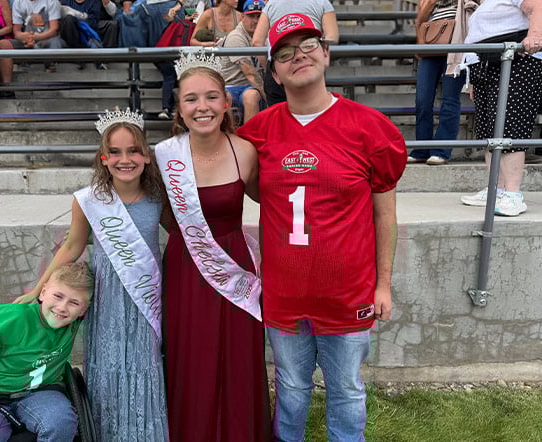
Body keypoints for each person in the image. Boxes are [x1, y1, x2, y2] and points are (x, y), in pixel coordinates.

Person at [237, 14, 407, 441]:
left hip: (347, 289)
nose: (300, 57)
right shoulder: (258, 131)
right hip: (285, 291)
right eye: (286, 53)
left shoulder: (370, 127)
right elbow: (260, 193)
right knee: (291, 387)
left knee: (346, 389)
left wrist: (382, 284)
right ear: (273, 70)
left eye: (309, 45)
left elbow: (384, 212)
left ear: (327, 53)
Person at [18, 109, 169, 441]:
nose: (124, 159)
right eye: (114, 151)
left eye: (133, 150)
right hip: (106, 296)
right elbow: (72, 246)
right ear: (103, 157)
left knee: (145, 363)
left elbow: (183, 235)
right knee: (108, 364)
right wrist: (37, 290)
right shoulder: (89, 201)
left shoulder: (159, 197)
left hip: (145, 293)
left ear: (146, 155)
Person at [154, 52, 269, 441]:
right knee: (193, 357)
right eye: (191, 99)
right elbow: (158, 216)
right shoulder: (163, 157)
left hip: (234, 264)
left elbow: (274, 204)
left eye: (210, 97)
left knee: (237, 358)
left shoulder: (246, 151)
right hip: (187, 266)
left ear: (226, 102)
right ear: (179, 107)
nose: (202, 107)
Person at [0, 262, 92, 441]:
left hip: (41, 393)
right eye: (58, 296)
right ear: (43, 292)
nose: (62, 307)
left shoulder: (71, 322)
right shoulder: (9, 321)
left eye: (74, 302)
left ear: (83, 310)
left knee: (61, 422)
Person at [459, 0, 542, 216]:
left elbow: (537, 5)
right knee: (489, 130)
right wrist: (472, 79)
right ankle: (497, 190)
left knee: (509, 126)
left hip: (515, 61)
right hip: (487, 64)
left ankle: (512, 194)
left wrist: (535, 35)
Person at [408, 0, 467, 166]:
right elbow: (419, 21)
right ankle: (422, 149)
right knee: (422, 99)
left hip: (457, 43)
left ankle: (441, 151)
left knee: (450, 99)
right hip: (431, 43)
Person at [251, 0, 338, 106]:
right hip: (311, 60)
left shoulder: (271, 4)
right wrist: (311, 47)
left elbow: (257, 42)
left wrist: (269, 66)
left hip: (280, 63)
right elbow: (332, 37)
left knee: (278, 117)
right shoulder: (322, 2)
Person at [220, 0, 265, 123]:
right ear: (243, 17)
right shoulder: (236, 37)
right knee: (247, 96)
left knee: (251, 95)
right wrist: (269, 98)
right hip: (232, 85)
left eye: (259, 16)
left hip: (252, 87)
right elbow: (249, 73)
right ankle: (231, 139)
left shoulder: (264, 36)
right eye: (251, 16)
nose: (255, 21)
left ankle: (251, 139)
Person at [0, 0, 64, 81]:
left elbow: (54, 30)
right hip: (26, 40)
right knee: (3, 44)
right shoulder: (18, 2)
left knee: (55, 42)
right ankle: (7, 87)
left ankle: (50, 66)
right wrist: (25, 38)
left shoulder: (52, 2)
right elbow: (16, 32)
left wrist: (34, 38)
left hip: (47, 39)